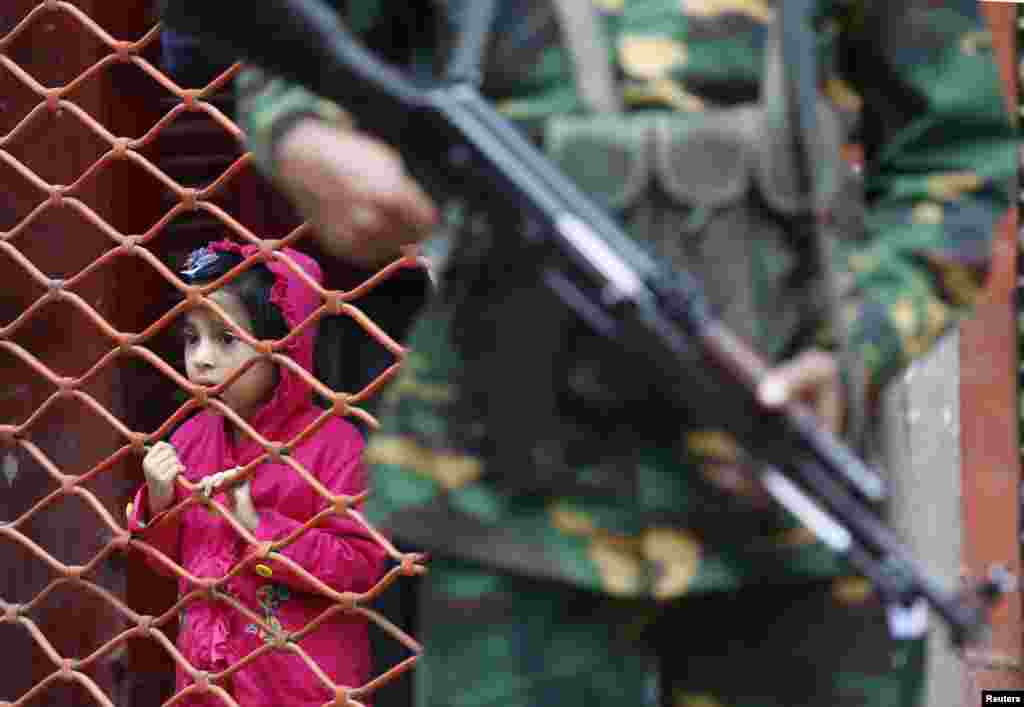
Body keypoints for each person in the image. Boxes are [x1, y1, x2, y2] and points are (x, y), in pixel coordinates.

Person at [211, 1, 1015, 705]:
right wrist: (304, 139)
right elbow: (288, 50)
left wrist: (854, 349)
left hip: (784, 528)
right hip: (513, 526)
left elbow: (955, 157)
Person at [127, 239, 387, 706]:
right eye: (192, 338)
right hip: (205, 682)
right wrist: (159, 500)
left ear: (283, 347)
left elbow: (362, 570)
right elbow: (163, 561)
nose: (202, 358)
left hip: (303, 689)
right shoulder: (189, 437)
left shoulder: (335, 444)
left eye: (226, 338)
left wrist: (258, 526)